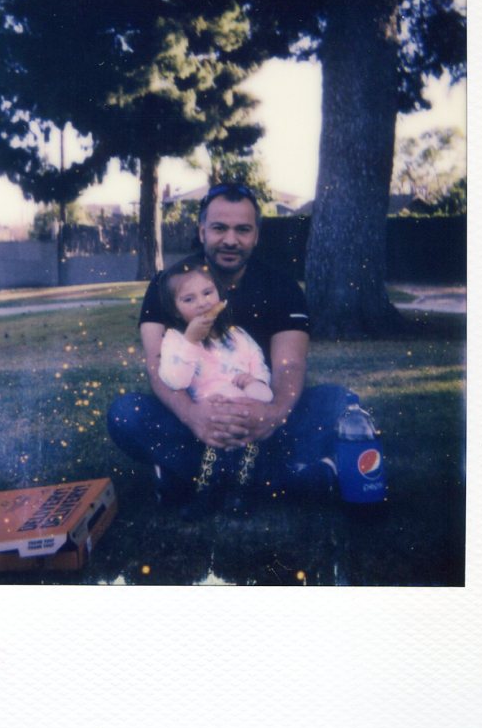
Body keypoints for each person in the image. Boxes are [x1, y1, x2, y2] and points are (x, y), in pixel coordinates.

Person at [107, 182, 359, 515]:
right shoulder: (166, 285)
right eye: (219, 228)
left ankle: (189, 475)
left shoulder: (282, 287)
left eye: (242, 229)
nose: (230, 240)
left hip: (262, 413)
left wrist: (272, 415)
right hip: (194, 415)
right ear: (202, 231)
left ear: (256, 235)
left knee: (341, 403)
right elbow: (157, 366)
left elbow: (290, 365)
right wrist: (194, 416)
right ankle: (282, 478)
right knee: (126, 413)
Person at [157, 255, 273, 515]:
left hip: (244, 415)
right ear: (175, 310)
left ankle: (240, 492)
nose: (202, 303)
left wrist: (254, 383)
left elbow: (260, 367)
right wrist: (190, 342)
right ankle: (205, 494)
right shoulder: (175, 340)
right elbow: (175, 379)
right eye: (189, 299)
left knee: (249, 451)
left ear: (219, 295)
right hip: (207, 420)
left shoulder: (238, 336)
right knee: (210, 458)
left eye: (207, 293)